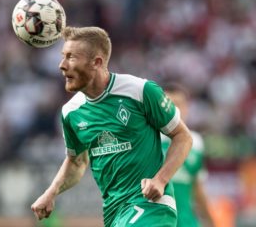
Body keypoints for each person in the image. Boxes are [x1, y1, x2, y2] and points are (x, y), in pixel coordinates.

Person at [31, 26, 193, 227]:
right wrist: (50, 193)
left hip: (151, 205)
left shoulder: (140, 91)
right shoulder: (71, 112)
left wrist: (160, 179)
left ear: (97, 62)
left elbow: (183, 136)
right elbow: (76, 162)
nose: (62, 65)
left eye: (71, 57)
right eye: (63, 56)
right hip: (114, 212)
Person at [161, 83, 215, 227]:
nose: (174, 110)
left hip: (187, 222)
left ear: (187, 107)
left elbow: (197, 188)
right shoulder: (150, 141)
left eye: (178, 104)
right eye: (169, 105)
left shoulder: (196, 143)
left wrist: (210, 221)